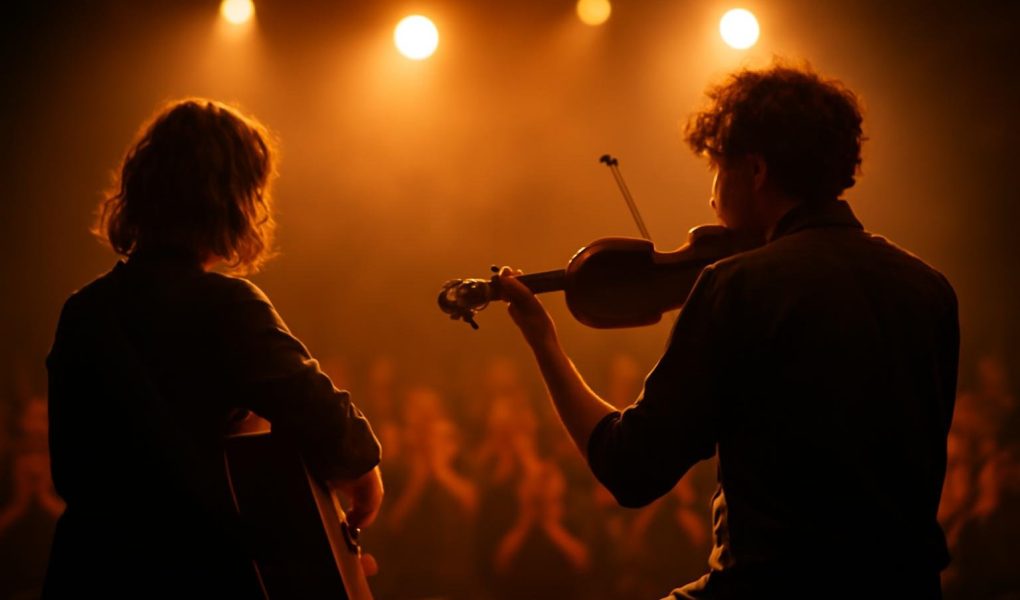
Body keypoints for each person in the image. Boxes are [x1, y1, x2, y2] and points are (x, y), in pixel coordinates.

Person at [497, 63, 959, 598]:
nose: (712, 198)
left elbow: (630, 467)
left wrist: (543, 340)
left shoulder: (739, 285)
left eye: (717, 169)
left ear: (756, 170)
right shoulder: (931, 290)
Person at [44, 99, 383, 598]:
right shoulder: (225, 306)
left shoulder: (82, 312)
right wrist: (365, 466)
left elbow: (69, 467)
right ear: (234, 199)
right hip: (197, 575)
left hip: (88, 572)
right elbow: (324, 419)